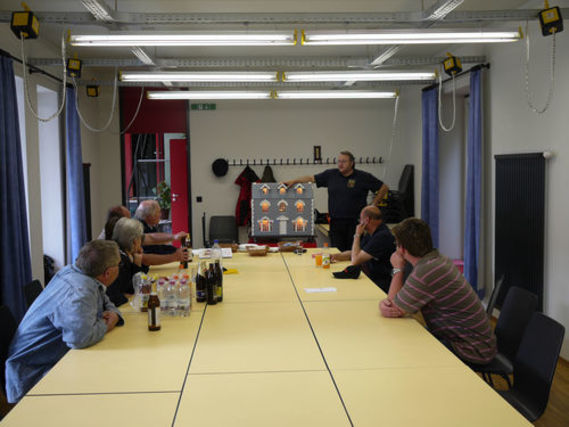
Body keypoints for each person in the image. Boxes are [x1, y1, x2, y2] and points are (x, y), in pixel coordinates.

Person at [5, 240, 124, 403]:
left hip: (50, 359)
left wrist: (113, 313)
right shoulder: (80, 291)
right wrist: (108, 324)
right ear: (108, 273)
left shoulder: (76, 272)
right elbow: (81, 339)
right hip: (34, 374)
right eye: (119, 264)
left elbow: (105, 300)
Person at [379, 218, 497, 365]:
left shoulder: (427, 271)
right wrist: (393, 304)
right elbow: (396, 305)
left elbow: (393, 308)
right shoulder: (437, 260)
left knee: (406, 352)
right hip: (475, 342)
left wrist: (398, 269)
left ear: (402, 248)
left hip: (471, 350)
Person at [284, 151, 388, 251]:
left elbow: (383, 188)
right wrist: (294, 181)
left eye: (344, 161)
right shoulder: (331, 175)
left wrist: (373, 205)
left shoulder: (363, 177)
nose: (340, 164)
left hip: (356, 223)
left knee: (354, 252)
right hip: (336, 222)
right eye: (339, 161)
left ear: (352, 163)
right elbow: (311, 178)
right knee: (337, 251)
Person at [331, 206, 395, 292]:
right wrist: (335, 256)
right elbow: (357, 253)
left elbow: (355, 260)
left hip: (379, 283)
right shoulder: (371, 233)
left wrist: (357, 235)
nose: (359, 222)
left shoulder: (382, 236)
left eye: (360, 219)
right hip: (369, 277)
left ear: (367, 220)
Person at [106, 217, 148, 306]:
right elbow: (135, 288)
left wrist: (138, 263)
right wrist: (137, 265)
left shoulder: (118, 251)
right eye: (140, 238)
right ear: (135, 241)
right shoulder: (120, 260)